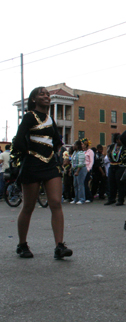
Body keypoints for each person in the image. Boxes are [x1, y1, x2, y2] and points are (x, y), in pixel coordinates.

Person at [13, 86, 73, 259]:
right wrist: (29, 153)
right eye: (42, 94)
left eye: (47, 94)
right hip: (32, 164)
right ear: (33, 99)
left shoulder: (49, 119)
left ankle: (59, 246)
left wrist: (54, 153)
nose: (46, 96)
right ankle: (22, 245)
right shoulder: (29, 117)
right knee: (28, 206)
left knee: (55, 202)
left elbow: (57, 141)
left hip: (50, 165)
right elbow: (18, 140)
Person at [104, 133, 126, 206]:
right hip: (112, 165)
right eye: (120, 139)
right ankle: (111, 199)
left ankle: (120, 200)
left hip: (120, 166)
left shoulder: (124, 147)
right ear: (116, 140)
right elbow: (108, 153)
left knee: (120, 183)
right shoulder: (112, 146)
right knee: (111, 182)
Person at [71, 140, 87, 204]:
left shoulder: (81, 153)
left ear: (77, 146)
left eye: (74, 145)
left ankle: (82, 199)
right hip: (75, 169)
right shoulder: (75, 153)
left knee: (80, 184)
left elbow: (81, 163)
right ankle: (76, 198)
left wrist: (77, 171)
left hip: (80, 169)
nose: (73, 146)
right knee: (75, 185)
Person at [81, 138, 94, 203]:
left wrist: (89, 168)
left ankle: (89, 197)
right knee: (81, 183)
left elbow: (91, 161)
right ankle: (84, 196)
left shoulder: (90, 151)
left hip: (87, 169)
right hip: (82, 169)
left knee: (85, 183)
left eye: (82, 144)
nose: (81, 145)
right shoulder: (81, 151)